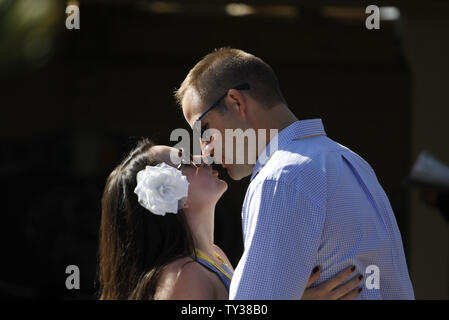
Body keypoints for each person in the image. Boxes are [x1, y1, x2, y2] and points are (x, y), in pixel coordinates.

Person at [175, 47, 415, 299]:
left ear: (236, 102)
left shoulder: (280, 177)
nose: (205, 149)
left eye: (204, 129)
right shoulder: (351, 161)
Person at [98, 139, 363, 299]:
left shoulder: (214, 256)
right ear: (170, 196)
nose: (203, 157)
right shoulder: (183, 276)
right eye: (187, 161)